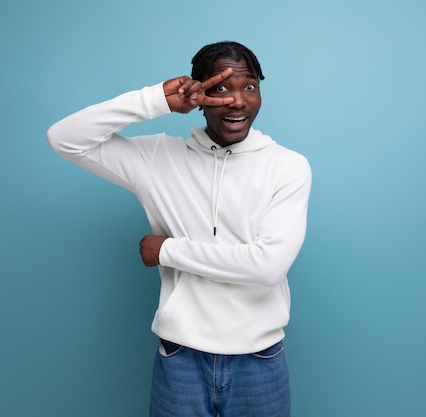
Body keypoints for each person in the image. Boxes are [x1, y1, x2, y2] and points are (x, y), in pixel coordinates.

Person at [47, 41, 312, 417]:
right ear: (199, 96)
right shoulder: (156, 158)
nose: (238, 101)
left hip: (259, 360)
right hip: (181, 357)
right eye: (221, 88)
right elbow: (64, 138)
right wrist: (156, 100)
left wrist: (168, 251)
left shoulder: (288, 166)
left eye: (249, 87)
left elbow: (268, 266)